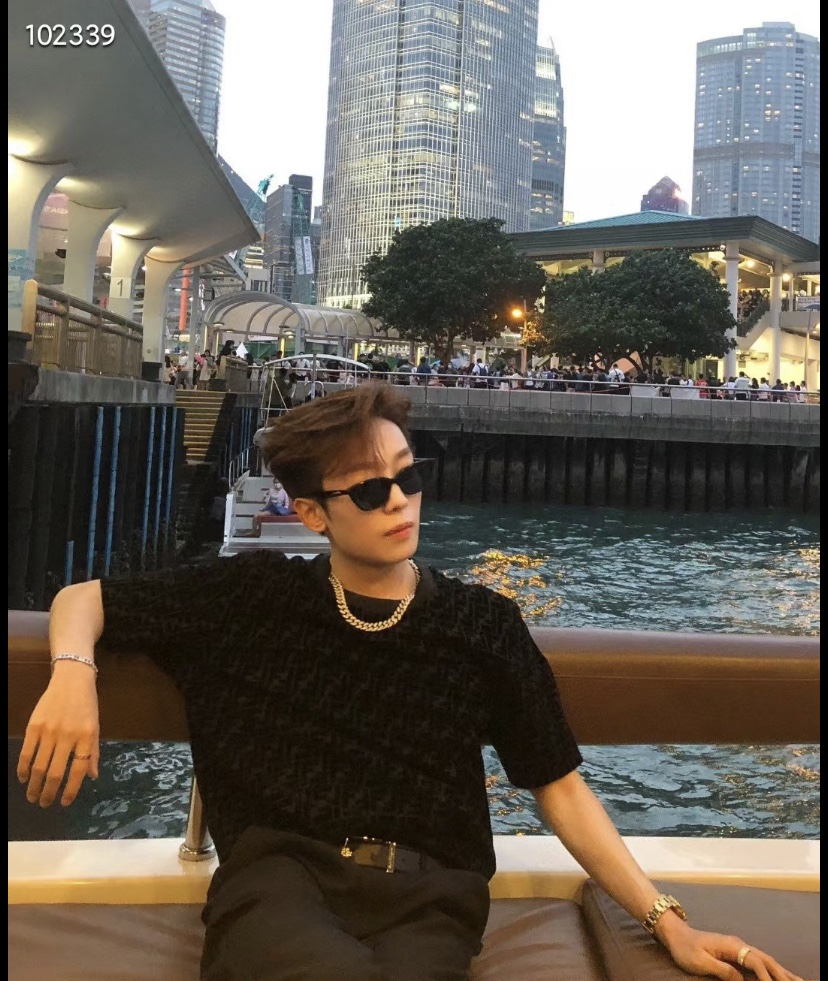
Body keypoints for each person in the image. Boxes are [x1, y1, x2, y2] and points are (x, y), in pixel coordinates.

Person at [17, 385, 799, 981]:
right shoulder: (251, 596)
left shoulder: (481, 624)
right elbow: (85, 599)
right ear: (313, 514)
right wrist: (73, 674)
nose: (398, 501)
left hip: (433, 895)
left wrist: (667, 921)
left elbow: (557, 785)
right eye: (368, 490)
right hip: (281, 877)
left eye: (408, 476)